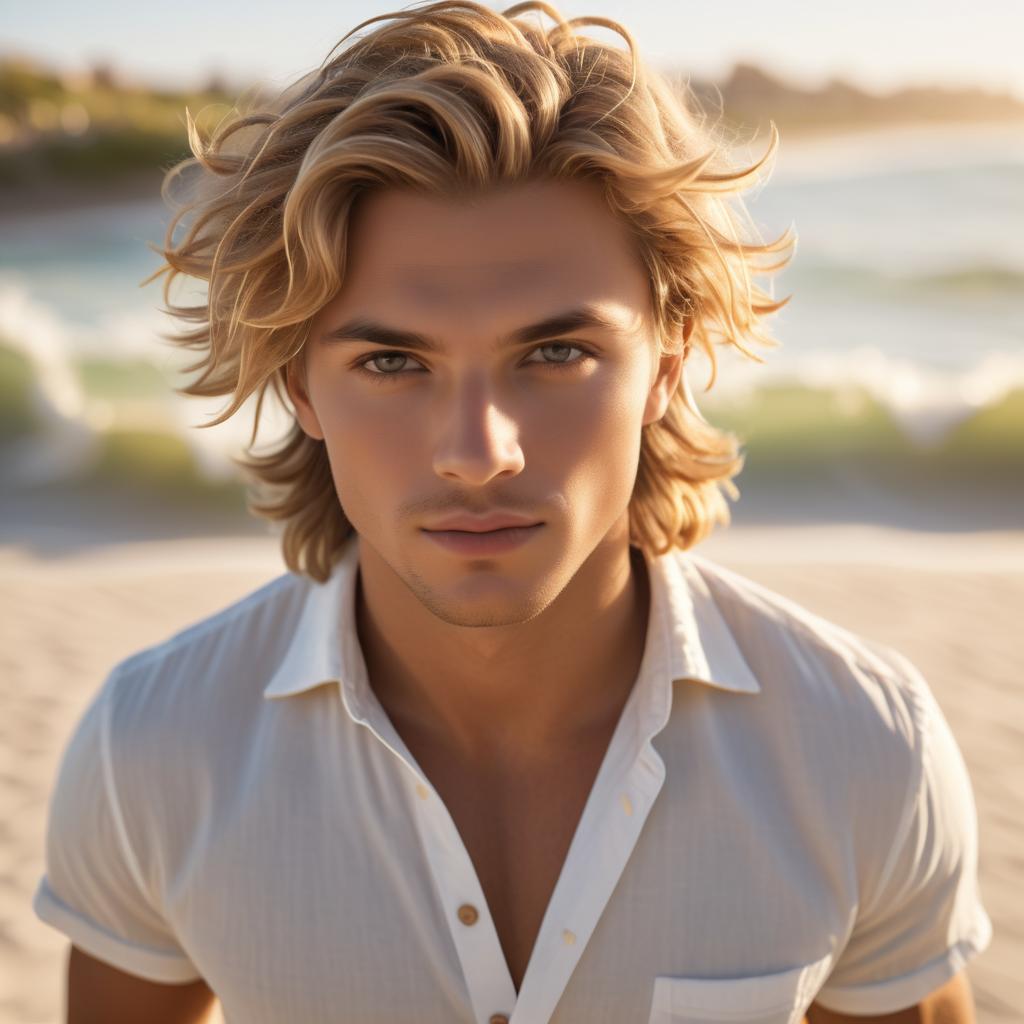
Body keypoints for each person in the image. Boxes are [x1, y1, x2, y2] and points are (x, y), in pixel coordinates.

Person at [33, 2, 992, 1022]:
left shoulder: (860, 749)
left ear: (664, 369)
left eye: (554, 354)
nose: (479, 453)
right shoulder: (154, 748)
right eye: (393, 361)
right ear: (301, 388)